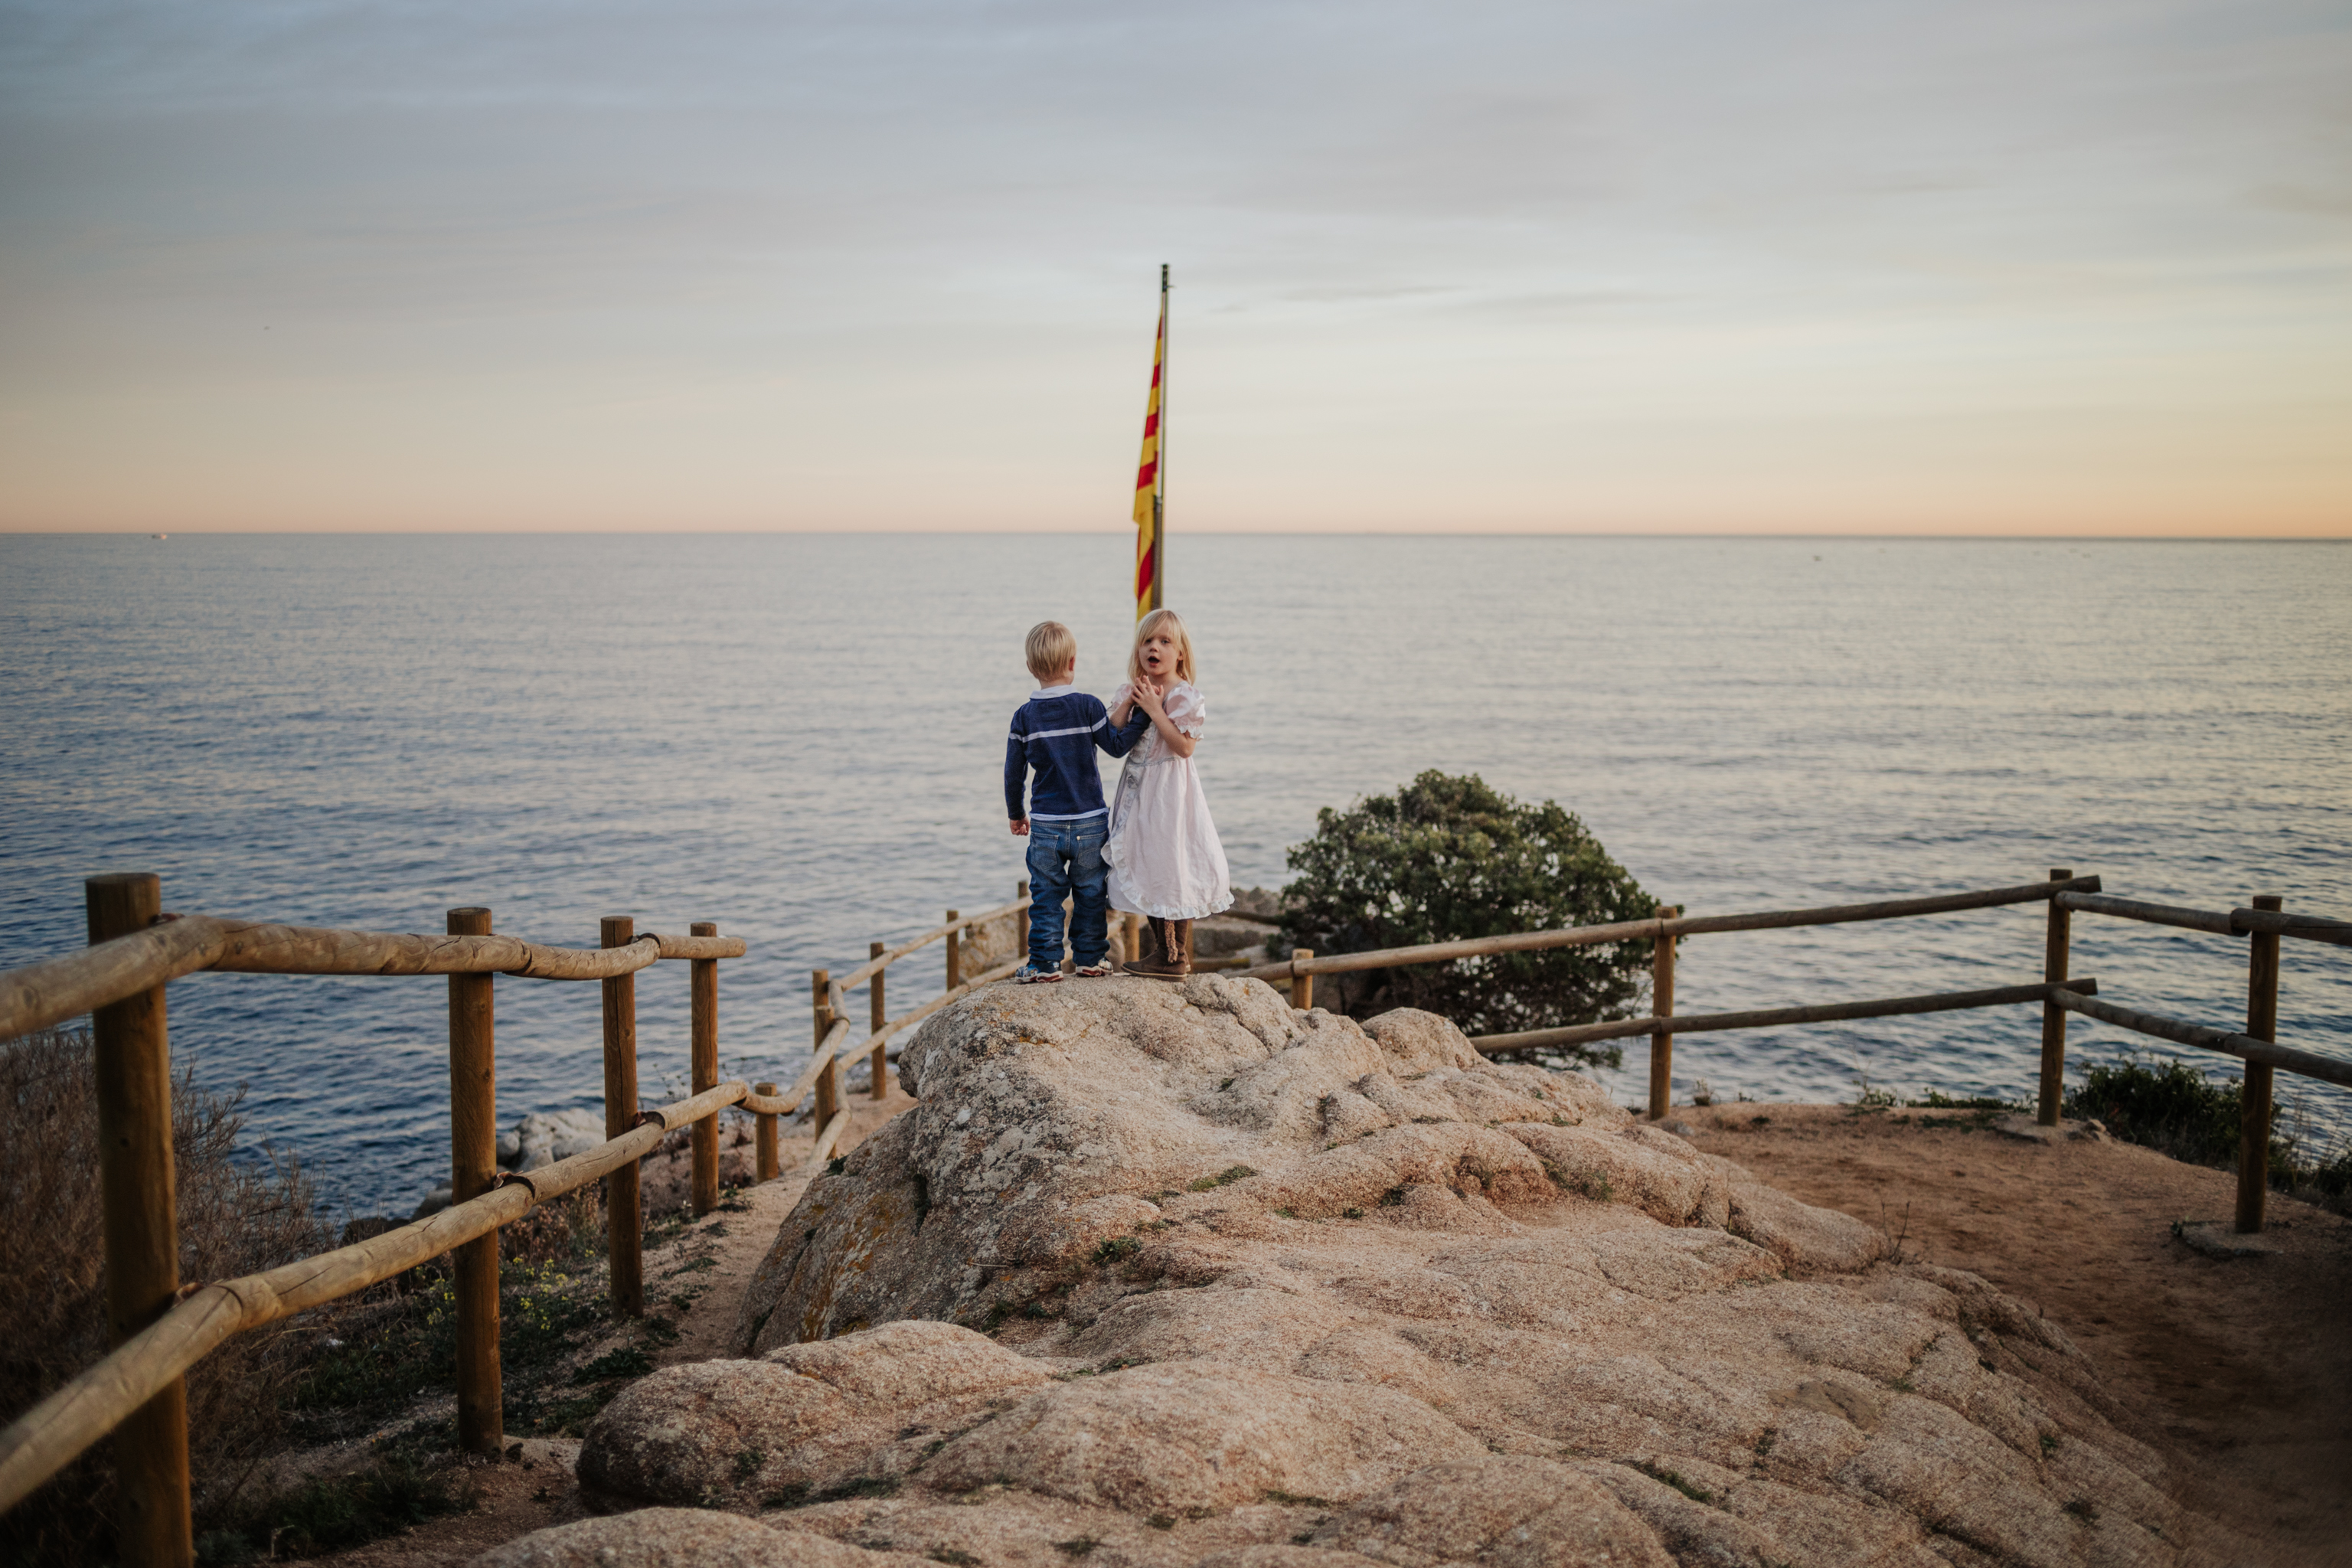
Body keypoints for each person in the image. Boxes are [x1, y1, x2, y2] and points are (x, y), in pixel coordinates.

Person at [1004, 620, 1152, 982]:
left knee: (1046, 896)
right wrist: (1145, 714)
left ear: (1030, 668)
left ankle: (1045, 963)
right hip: (1090, 821)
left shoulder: (1023, 717)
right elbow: (1116, 745)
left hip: (1046, 825)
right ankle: (1089, 958)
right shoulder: (1087, 706)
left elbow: (1013, 774)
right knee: (1090, 892)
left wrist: (1016, 813)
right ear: (1072, 663)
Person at [1105, 609, 1232, 978]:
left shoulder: (1182, 696)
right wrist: (1131, 702)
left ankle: (1175, 955)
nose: (1154, 648)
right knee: (1145, 862)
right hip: (1138, 789)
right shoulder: (1135, 689)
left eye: (1164, 641)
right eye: (1147, 641)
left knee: (1171, 863)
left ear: (1180, 653)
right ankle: (1162, 952)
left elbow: (1184, 747)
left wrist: (1154, 709)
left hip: (1169, 793)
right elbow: (1113, 735)